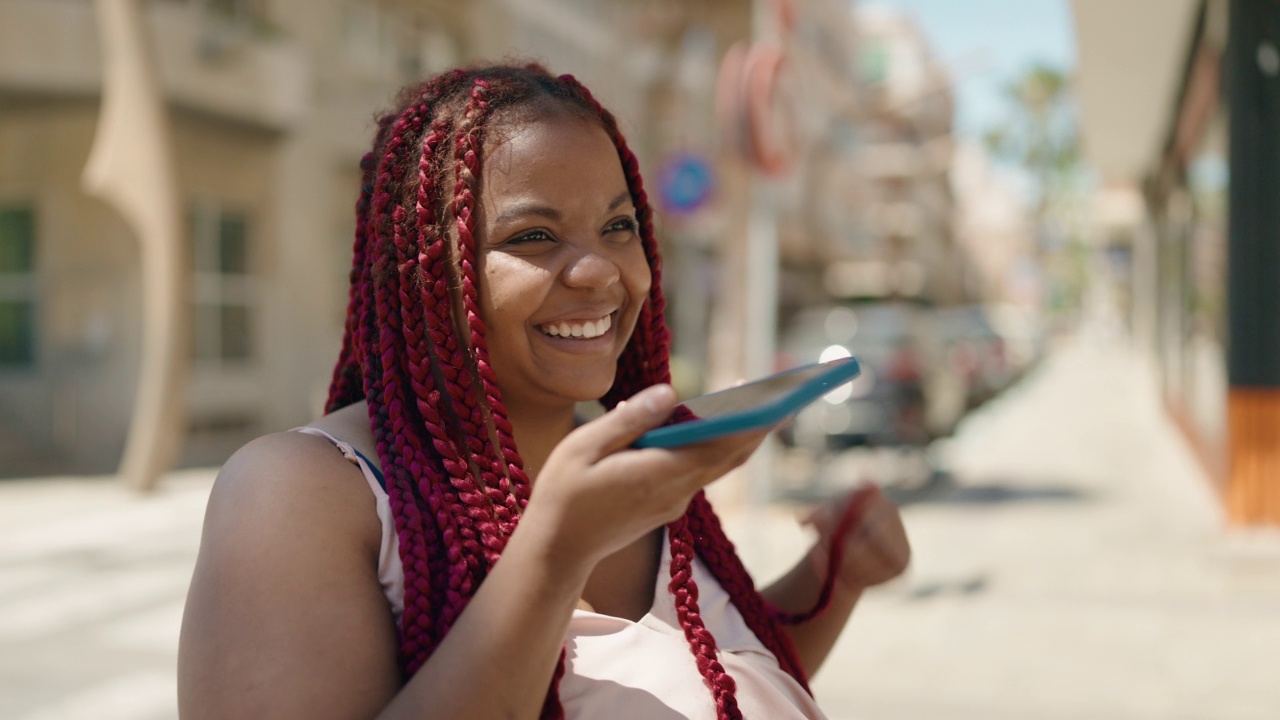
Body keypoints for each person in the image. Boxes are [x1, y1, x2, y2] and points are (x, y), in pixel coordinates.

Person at [177, 63, 910, 720]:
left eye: (618, 226)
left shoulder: (626, 461)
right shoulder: (299, 493)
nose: (599, 271)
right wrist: (559, 552)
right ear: (427, 271)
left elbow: (682, 676)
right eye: (533, 236)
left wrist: (833, 577)